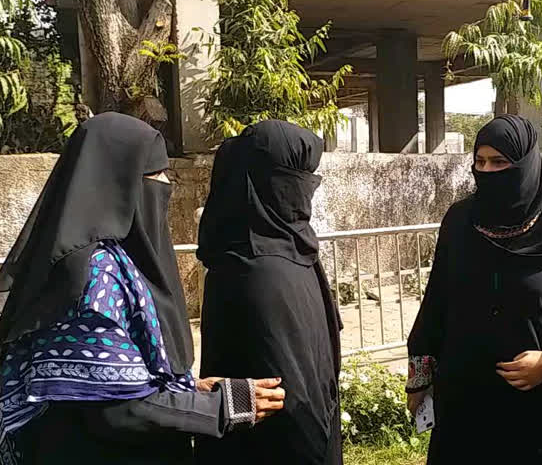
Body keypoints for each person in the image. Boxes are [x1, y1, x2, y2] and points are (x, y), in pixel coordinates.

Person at [0, 113, 286, 464]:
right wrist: (221, 407)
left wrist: (191, 389)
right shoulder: (93, 274)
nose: (166, 184)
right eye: (156, 174)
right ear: (118, 181)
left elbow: (118, 381)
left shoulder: (113, 259)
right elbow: (115, 408)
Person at [406, 115, 542, 464]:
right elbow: (437, 301)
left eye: (500, 162)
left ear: (525, 165)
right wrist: (420, 377)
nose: (488, 171)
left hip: (532, 406)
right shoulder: (460, 221)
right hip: (463, 398)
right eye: (480, 162)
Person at [194, 120, 343, 465]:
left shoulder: (291, 246)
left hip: (312, 431)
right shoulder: (255, 269)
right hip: (277, 446)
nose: (306, 190)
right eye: (297, 178)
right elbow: (284, 393)